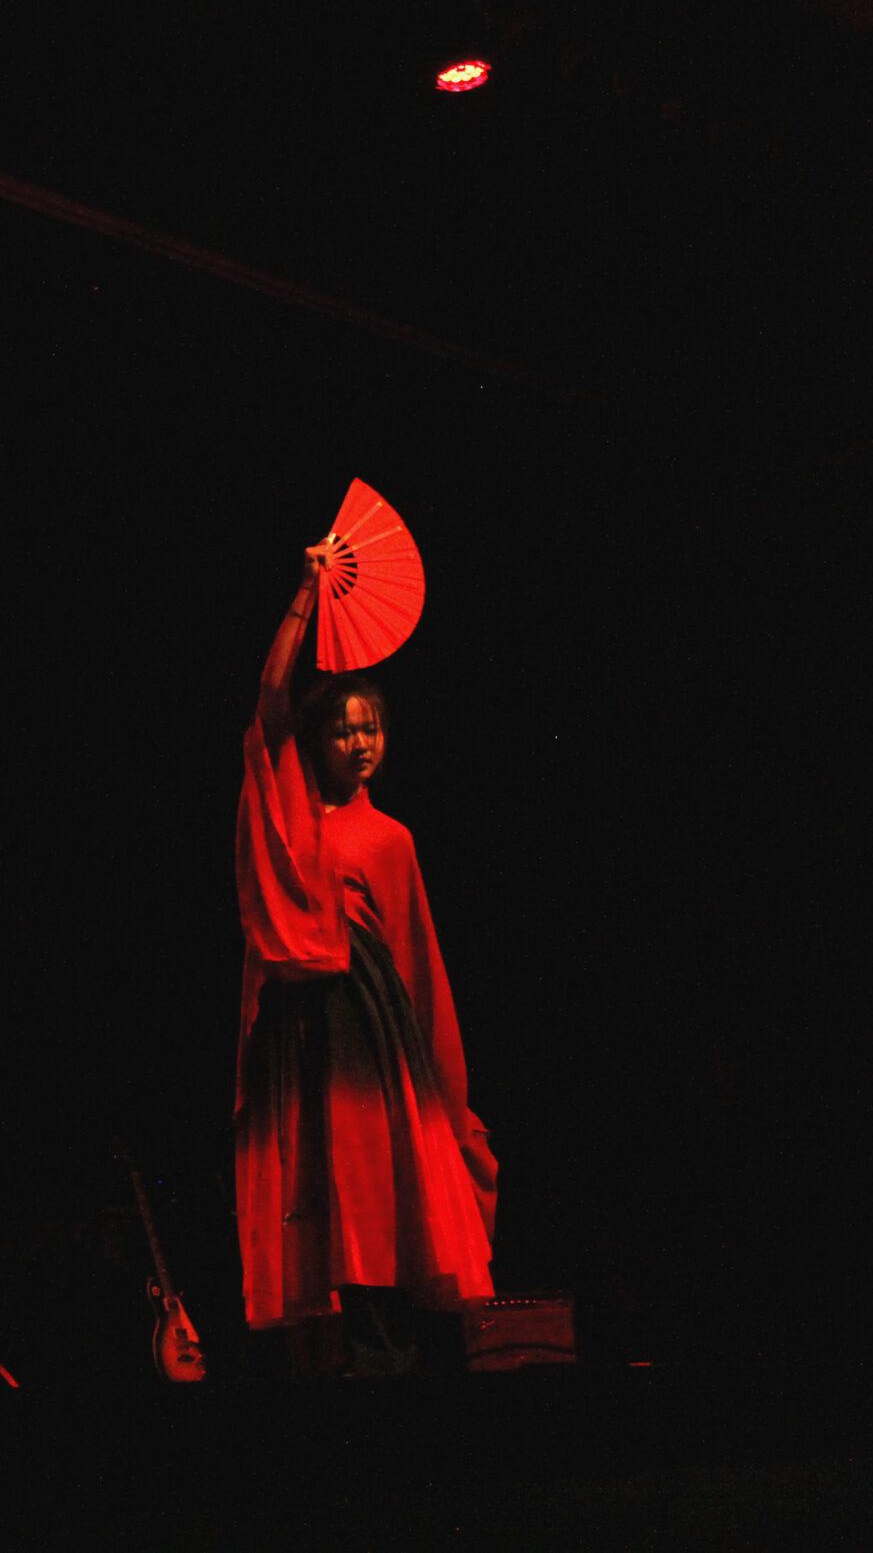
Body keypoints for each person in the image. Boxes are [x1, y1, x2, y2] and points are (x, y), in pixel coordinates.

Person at [232, 544, 496, 1374]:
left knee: (377, 1193)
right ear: (318, 741)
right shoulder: (292, 811)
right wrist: (305, 597)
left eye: (370, 726)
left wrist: (442, 1090)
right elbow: (272, 697)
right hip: (302, 1023)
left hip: (369, 1026)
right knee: (315, 1193)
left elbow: (418, 959)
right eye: (344, 727)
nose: (359, 739)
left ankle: (391, 1362)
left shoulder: (392, 838)